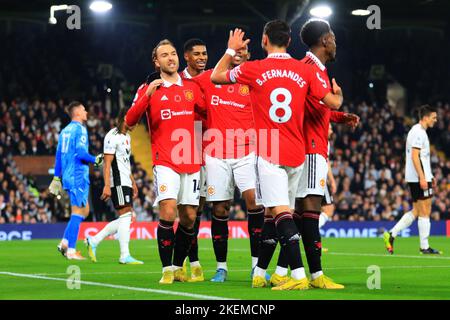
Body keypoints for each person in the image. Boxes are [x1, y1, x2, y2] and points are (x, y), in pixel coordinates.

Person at [211, 20, 343, 290]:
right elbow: (331, 102)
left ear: (264, 40)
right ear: (290, 41)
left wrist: (229, 50)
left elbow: (217, 76)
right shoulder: (302, 70)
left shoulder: (253, 68)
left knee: (280, 214)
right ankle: (262, 271)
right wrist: (339, 98)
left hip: (270, 149)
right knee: (281, 214)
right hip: (298, 151)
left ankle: (297, 277)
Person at [271, 19, 359, 289]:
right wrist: (337, 102)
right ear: (324, 41)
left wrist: (339, 116)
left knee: (301, 213)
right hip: (309, 148)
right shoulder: (310, 69)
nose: (335, 42)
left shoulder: (313, 68)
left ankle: (281, 271)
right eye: (332, 37)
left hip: (312, 146)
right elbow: (305, 110)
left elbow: (314, 109)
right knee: (309, 211)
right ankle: (315, 275)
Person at [125, 39, 206, 284]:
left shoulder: (191, 87)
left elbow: (207, 115)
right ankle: (167, 269)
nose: (170, 58)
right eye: (164, 55)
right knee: (168, 210)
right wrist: (147, 95)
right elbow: (129, 120)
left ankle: (179, 265)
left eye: (173, 54)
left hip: (191, 159)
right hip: (165, 159)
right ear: (156, 62)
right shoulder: (149, 88)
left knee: (190, 217)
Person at [194, 44, 266, 282]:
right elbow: (184, 84)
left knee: (254, 203)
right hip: (216, 154)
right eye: (234, 50)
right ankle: (221, 267)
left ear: (249, 54)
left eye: (243, 50)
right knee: (219, 209)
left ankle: (257, 265)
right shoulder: (210, 77)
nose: (238, 53)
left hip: (247, 152)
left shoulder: (254, 79)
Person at [85, 108, 144, 265]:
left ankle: (94, 240)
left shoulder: (127, 137)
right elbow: (107, 163)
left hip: (125, 181)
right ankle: (124, 255)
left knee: (126, 218)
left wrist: (132, 181)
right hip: (117, 181)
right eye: (134, 119)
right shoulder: (112, 136)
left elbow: (125, 162)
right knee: (126, 216)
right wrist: (107, 185)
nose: (136, 124)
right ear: (125, 118)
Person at [384, 105, 441, 255]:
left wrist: (429, 176)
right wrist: (423, 177)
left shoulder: (419, 131)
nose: (435, 120)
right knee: (425, 210)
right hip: (418, 177)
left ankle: (391, 234)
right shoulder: (418, 132)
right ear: (426, 117)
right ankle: (424, 246)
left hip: (419, 176)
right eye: (433, 117)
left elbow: (422, 157)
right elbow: (414, 156)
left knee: (417, 211)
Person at [49, 101, 103, 260]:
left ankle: (65, 242)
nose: (86, 112)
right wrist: (95, 159)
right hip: (77, 175)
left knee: (84, 210)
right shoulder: (80, 129)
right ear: (78, 112)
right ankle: (71, 250)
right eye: (84, 109)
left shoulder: (64, 131)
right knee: (78, 212)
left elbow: (58, 156)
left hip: (67, 175)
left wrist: (56, 177)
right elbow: (80, 153)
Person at [180, 38, 208, 282]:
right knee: (187, 210)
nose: (202, 57)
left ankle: (192, 260)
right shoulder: (177, 81)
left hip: (211, 144)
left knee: (199, 209)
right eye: (197, 53)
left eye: (204, 53)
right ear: (186, 56)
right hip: (187, 146)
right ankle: (193, 262)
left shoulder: (212, 78)